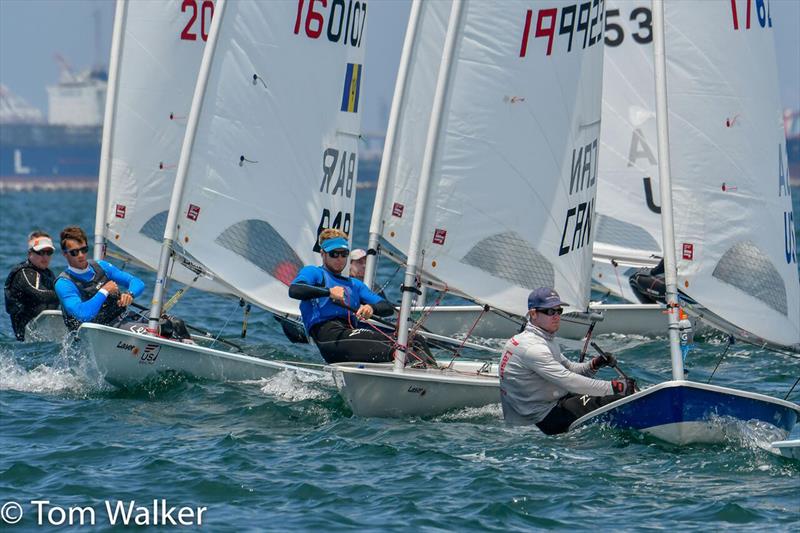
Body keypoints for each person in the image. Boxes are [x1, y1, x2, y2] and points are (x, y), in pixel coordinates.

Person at [499, 287, 637, 434]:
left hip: (546, 407)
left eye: (559, 311)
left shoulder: (539, 339)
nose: (557, 316)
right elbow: (569, 381)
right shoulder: (533, 348)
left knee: (605, 395)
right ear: (533, 314)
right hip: (541, 421)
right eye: (550, 312)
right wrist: (615, 388)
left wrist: (595, 364)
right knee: (613, 399)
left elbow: (569, 369)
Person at [289, 228, 431, 365]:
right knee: (399, 350)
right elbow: (295, 290)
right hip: (329, 336)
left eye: (344, 254)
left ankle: (435, 373)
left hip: (349, 332)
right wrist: (328, 292)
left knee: (414, 339)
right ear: (323, 253)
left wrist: (371, 308)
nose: (339, 259)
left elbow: (386, 307)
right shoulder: (314, 273)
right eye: (334, 254)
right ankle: (414, 369)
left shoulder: (355, 284)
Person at [54, 225, 147, 331]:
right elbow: (82, 314)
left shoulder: (102, 266)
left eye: (84, 249)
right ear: (65, 254)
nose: (81, 255)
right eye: (74, 252)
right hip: (98, 330)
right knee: (153, 331)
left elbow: (137, 282)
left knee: (165, 324)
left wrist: (129, 294)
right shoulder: (64, 283)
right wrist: (105, 290)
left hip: (122, 318)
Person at [4, 231, 61, 341]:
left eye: (48, 252)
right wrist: (66, 293)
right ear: (30, 253)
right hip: (26, 339)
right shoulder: (24, 273)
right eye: (40, 252)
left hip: (46, 334)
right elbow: (39, 295)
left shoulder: (49, 274)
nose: (45, 256)